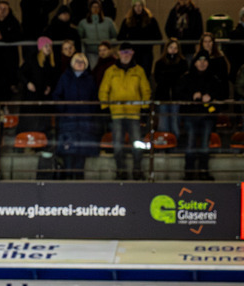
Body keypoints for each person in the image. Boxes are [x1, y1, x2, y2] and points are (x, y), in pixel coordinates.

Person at [98, 42, 150, 180]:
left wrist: (144, 108)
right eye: (123, 52)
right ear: (119, 54)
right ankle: (120, 170)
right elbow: (104, 91)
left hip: (134, 114)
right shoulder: (110, 71)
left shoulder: (139, 71)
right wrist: (105, 108)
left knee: (137, 144)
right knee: (118, 144)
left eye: (128, 52)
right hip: (117, 113)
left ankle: (137, 169)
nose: (126, 55)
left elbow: (146, 90)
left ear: (132, 53)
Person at [178, 51, 223, 181]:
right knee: (191, 143)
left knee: (204, 145)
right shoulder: (186, 78)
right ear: (195, 62)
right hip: (191, 116)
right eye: (199, 60)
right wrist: (192, 97)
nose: (202, 63)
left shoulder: (214, 79)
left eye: (205, 61)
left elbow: (220, 95)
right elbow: (179, 95)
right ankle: (189, 172)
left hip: (207, 117)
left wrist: (211, 97)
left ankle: (203, 171)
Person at [53, 51, 99, 179]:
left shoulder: (90, 79)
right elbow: (57, 96)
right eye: (77, 61)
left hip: (85, 124)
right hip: (68, 123)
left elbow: (95, 99)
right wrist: (65, 108)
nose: (80, 64)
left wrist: (90, 111)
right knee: (68, 161)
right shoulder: (65, 77)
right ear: (72, 63)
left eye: (82, 62)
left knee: (80, 163)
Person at [153, 38, 188, 137]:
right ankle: (164, 147)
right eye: (171, 47)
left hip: (177, 98)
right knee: (163, 124)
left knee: (175, 123)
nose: (173, 50)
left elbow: (183, 80)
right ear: (166, 48)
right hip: (163, 97)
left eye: (175, 48)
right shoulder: (159, 63)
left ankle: (174, 146)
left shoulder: (182, 63)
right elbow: (158, 79)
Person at [117, 0, 161, 77]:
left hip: (146, 52)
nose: (138, 8)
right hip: (132, 53)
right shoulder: (127, 21)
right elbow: (120, 36)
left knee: (144, 74)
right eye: (136, 6)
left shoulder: (151, 20)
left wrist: (148, 41)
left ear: (143, 7)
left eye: (140, 6)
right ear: (133, 7)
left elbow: (158, 36)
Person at [78, 0, 117, 68]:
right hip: (91, 53)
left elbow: (115, 36)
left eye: (97, 7)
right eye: (93, 7)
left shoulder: (108, 21)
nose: (95, 9)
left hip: (106, 53)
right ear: (90, 8)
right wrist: (86, 42)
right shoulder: (83, 23)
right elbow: (79, 38)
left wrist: (110, 43)